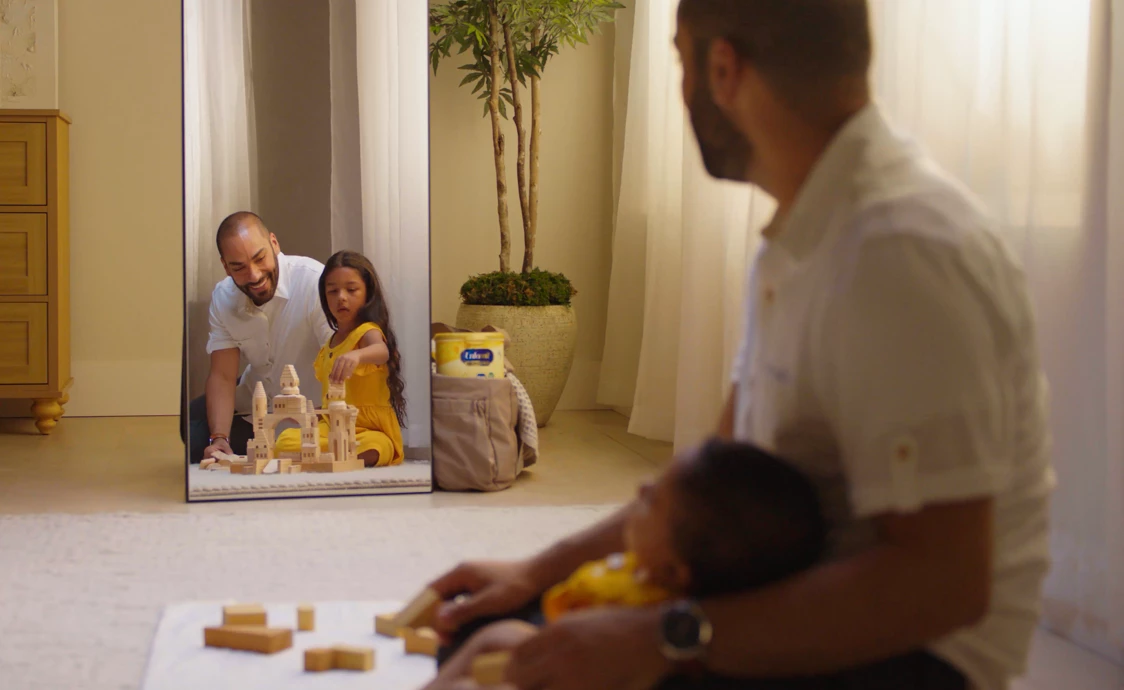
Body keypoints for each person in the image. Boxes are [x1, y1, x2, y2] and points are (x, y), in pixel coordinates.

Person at [421, 1, 1055, 689]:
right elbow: (708, 476)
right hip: (782, 587)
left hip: (911, 656)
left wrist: (661, 638)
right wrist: (537, 571)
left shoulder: (902, 251)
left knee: (532, 659)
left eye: (679, 63)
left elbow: (940, 588)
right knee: (488, 627)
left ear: (722, 69)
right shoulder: (800, 234)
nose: (683, 89)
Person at [430, 438, 828, 686]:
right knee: (496, 638)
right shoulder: (647, 565)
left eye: (654, 499)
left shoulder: (663, 607)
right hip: (569, 644)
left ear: (675, 573)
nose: (641, 488)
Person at [182, 211, 332, 463]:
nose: (253, 275)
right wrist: (219, 438)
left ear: (274, 243)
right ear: (225, 266)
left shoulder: (315, 281)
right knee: (188, 427)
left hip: (310, 414)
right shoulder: (223, 296)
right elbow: (223, 375)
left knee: (196, 442)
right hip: (255, 400)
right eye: (238, 267)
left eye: (259, 258)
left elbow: (339, 359)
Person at [273, 250, 406, 467]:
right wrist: (309, 414)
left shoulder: (367, 332)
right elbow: (331, 402)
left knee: (377, 444)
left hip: (368, 429)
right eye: (332, 291)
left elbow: (382, 351)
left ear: (368, 294)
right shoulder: (329, 346)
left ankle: (330, 456)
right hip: (334, 426)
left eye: (351, 290)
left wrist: (357, 355)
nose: (341, 297)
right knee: (285, 440)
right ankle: (333, 456)